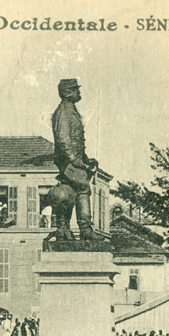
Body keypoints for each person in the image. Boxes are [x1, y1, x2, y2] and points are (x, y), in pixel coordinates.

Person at [50, 78, 99, 241]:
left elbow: (76, 142)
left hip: (73, 160)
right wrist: (75, 161)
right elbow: (63, 140)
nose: (79, 93)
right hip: (67, 162)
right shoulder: (63, 112)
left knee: (71, 192)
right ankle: (85, 229)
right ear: (67, 92)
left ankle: (64, 227)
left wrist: (85, 159)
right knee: (83, 188)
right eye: (76, 90)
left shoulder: (71, 110)